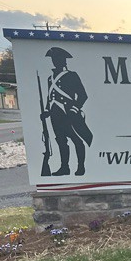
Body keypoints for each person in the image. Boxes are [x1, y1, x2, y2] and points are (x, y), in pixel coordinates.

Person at [41, 47, 92, 176]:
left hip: (68, 113)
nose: (55, 61)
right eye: (53, 59)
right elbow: (50, 96)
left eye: (57, 59)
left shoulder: (71, 76)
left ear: (64, 61)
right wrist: (47, 110)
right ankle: (65, 167)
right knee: (60, 140)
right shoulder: (50, 79)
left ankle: (81, 167)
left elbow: (83, 95)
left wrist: (74, 109)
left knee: (76, 139)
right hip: (55, 114)